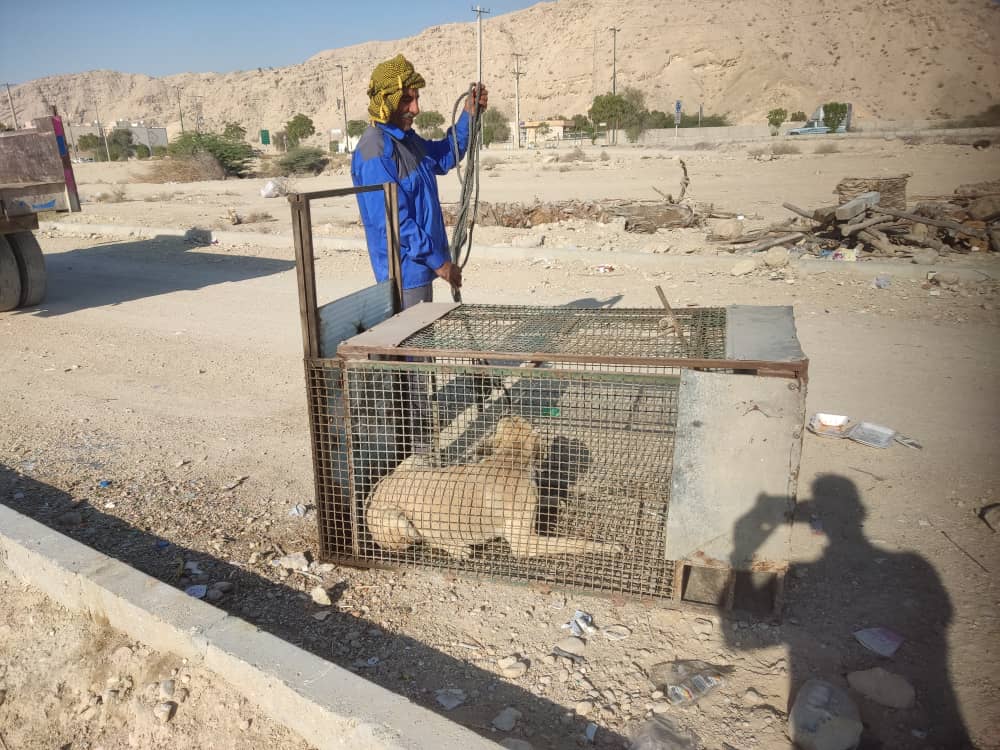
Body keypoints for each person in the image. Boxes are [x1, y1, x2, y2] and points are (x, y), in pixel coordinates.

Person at [351, 54, 488, 309]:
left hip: (421, 269)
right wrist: (440, 263)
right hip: (404, 275)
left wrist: (469, 115)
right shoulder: (375, 150)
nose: (415, 109)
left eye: (416, 99)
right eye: (407, 100)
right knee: (414, 335)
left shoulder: (407, 141)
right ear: (387, 102)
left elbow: (446, 155)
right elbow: (394, 221)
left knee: (423, 333)